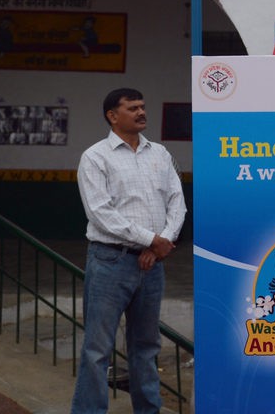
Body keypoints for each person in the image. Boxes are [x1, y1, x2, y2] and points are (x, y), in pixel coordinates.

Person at [71, 88, 188, 413]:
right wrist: (151, 240)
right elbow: (100, 212)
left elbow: (177, 203)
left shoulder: (160, 155)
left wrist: (160, 242)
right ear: (112, 115)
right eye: (132, 108)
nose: (141, 112)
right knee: (98, 349)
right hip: (110, 261)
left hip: (152, 266)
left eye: (142, 106)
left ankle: (147, 410)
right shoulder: (95, 157)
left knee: (146, 347)